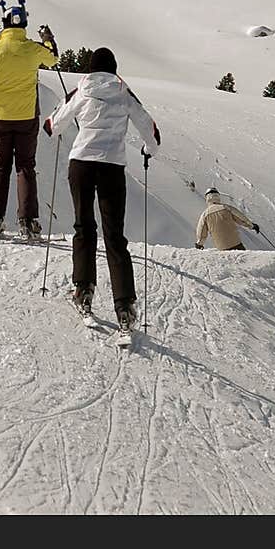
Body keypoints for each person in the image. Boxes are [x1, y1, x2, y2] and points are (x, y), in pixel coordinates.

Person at [44, 47, 160, 335]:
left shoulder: (81, 88)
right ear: (113, 69)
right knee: (114, 236)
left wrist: (59, 127)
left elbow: (52, 124)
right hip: (111, 166)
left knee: (84, 227)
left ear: (91, 69)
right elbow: (150, 129)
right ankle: (125, 306)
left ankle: (83, 291)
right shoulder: (123, 91)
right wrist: (149, 150)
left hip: (81, 163)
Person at [0, 0, 59, 239]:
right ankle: (28, 221)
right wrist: (48, 38)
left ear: (4, 24)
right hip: (27, 116)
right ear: (24, 24)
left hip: (0, 117)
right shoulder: (32, 49)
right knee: (25, 166)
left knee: (0, 164)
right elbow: (53, 59)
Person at [195, 188, 259, 250]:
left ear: (207, 198)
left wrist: (199, 244)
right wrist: (252, 226)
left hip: (221, 247)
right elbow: (241, 218)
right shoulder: (226, 208)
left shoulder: (205, 215)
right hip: (236, 243)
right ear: (218, 196)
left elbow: (201, 231)